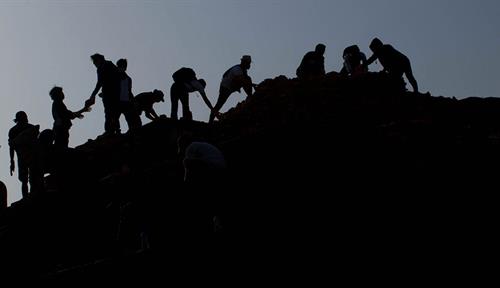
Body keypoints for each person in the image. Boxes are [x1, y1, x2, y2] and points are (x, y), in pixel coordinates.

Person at [209, 55, 254, 123]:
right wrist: (251, 85)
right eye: (248, 63)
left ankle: (250, 97)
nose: (249, 65)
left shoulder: (243, 70)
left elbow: (244, 82)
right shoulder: (237, 69)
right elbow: (241, 80)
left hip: (230, 87)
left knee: (247, 79)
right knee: (219, 104)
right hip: (225, 88)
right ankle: (210, 122)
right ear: (245, 62)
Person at [86, 53, 121, 135]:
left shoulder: (108, 64)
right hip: (107, 93)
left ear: (99, 59)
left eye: (95, 62)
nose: (94, 64)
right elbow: (100, 83)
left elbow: (116, 77)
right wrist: (93, 95)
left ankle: (113, 130)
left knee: (113, 112)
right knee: (109, 112)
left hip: (113, 92)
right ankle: (112, 130)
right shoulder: (100, 68)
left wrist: (94, 94)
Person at [8, 111, 39, 198]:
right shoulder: (30, 128)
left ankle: (29, 196)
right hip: (25, 156)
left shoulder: (15, 130)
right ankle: (27, 197)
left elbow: (11, 147)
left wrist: (12, 161)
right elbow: (11, 147)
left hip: (27, 156)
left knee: (28, 178)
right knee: (26, 179)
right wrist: (12, 161)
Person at [116, 58, 142, 131]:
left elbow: (129, 91)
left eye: (122, 67)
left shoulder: (128, 79)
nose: (120, 68)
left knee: (133, 119)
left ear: (124, 68)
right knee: (113, 119)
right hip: (116, 101)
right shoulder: (114, 76)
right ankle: (116, 132)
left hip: (126, 102)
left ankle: (133, 131)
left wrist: (134, 101)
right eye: (119, 66)